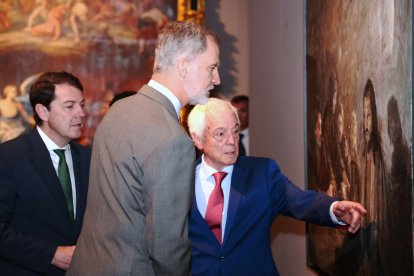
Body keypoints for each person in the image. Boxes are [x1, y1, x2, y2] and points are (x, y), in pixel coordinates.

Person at [68, 21, 220, 275]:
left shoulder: (119, 110)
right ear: (183, 65)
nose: (216, 79)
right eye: (212, 67)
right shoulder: (173, 140)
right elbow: (168, 247)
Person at [186, 98, 366, 276]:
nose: (232, 142)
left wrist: (333, 209)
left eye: (235, 131)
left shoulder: (262, 173)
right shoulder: (180, 182)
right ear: (198, 139)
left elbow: (298, 200)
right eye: (220, 134)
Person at [0, 71, 91, 275]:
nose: (81, 113)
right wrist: (51, 254)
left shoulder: (89, 159)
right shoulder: (9, 157)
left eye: (82, 104)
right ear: (43, 112)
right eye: (70, 106)